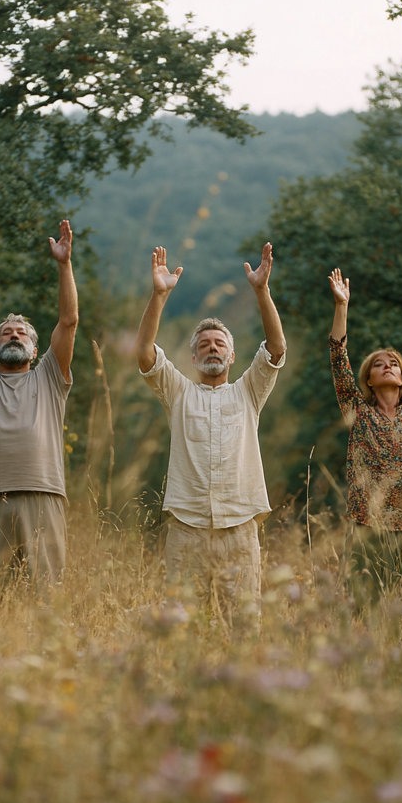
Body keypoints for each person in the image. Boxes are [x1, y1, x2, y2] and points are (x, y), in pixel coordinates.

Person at [136, 243, 287, 631]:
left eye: (220, 343)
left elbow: (275, 348)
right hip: (186, 531)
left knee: (243, 627)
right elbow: (145, 354)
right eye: (204, 344)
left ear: (233, 356)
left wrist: (261, 291)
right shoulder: (179, 393)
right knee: (184, 629)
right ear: (193, 359)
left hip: (240, 529)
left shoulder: (248, 392)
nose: (213, 348)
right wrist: (159, 295)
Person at [0, 220, 77, 586]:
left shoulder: (49, 376)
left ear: (36, 351)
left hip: (43, 496)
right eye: (7, 332)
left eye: (22, 333)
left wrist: (64, 265)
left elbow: (68, 322)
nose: (15, 335)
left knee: (45, 601)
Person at [327, 264, 402, 610]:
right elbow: (337, 356)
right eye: (379, 364)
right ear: (368, 379)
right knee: (365, 607)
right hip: (369, 523)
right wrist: (341, 307)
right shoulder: (356, 409)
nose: (388, 365)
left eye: (393, 362)